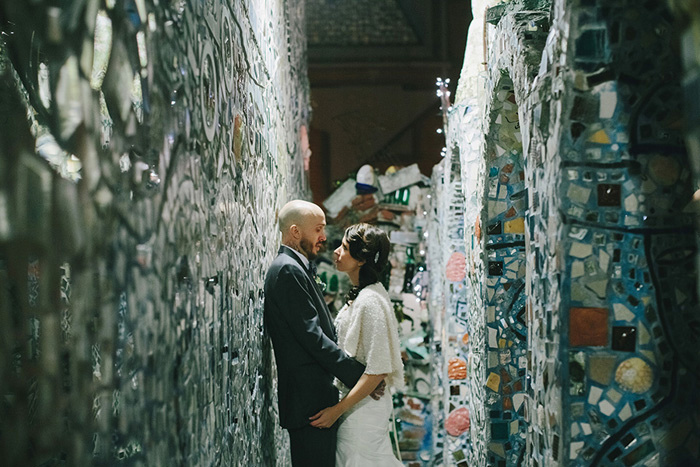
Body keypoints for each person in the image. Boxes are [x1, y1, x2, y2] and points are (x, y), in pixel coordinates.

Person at [264, 200, 383, 467]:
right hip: (309, 404)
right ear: (295, 232)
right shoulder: (287, 269)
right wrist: (359, 376)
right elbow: (312, 337)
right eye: (318, 229)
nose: (323, 237)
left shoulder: (295, 266)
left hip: (315, 399)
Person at [310, 223, 405, 466]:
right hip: (357, 404)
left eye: (344, 247)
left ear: (361, 260)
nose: (336, 252)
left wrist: (337, 410)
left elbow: (378, 368)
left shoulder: (370, 301)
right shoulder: (364, 294)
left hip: (362, 411)